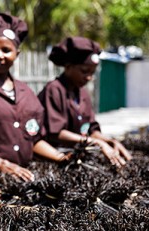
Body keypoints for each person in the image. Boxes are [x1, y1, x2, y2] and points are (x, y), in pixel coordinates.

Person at [0, 13, 68, 183]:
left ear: (17, 54)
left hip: (21, 179)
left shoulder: (26, 92)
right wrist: (1, 164)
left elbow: (34, 140)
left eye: (6, 50)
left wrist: (61, 158)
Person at [38, 36, 132, 166]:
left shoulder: (82, 93)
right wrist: (94, 142)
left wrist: (109, 142)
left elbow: (92, 129)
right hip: (56, 157)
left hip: (79, 154)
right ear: (69, 67)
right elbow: (56, 133)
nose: (88, 77)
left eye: (92, 73)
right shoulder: (54, 89)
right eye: (84, 71)